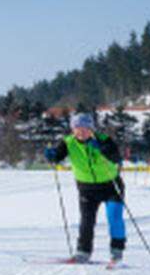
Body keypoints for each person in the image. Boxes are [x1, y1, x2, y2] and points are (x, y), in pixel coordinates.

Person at [44, 113, 126, 264]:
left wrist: (102, 148)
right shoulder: (68, 142)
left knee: (114, 217)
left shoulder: (103, 140)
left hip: (111, 186)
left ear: (91, 129)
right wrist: (51, 156)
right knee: (86, 221)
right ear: (72, 129)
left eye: (85, 128)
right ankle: (83, 252)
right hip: (87, 188)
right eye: (77, 128)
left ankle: (117, 252)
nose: (81, 132)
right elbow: (57, 157)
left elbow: (116, 158)